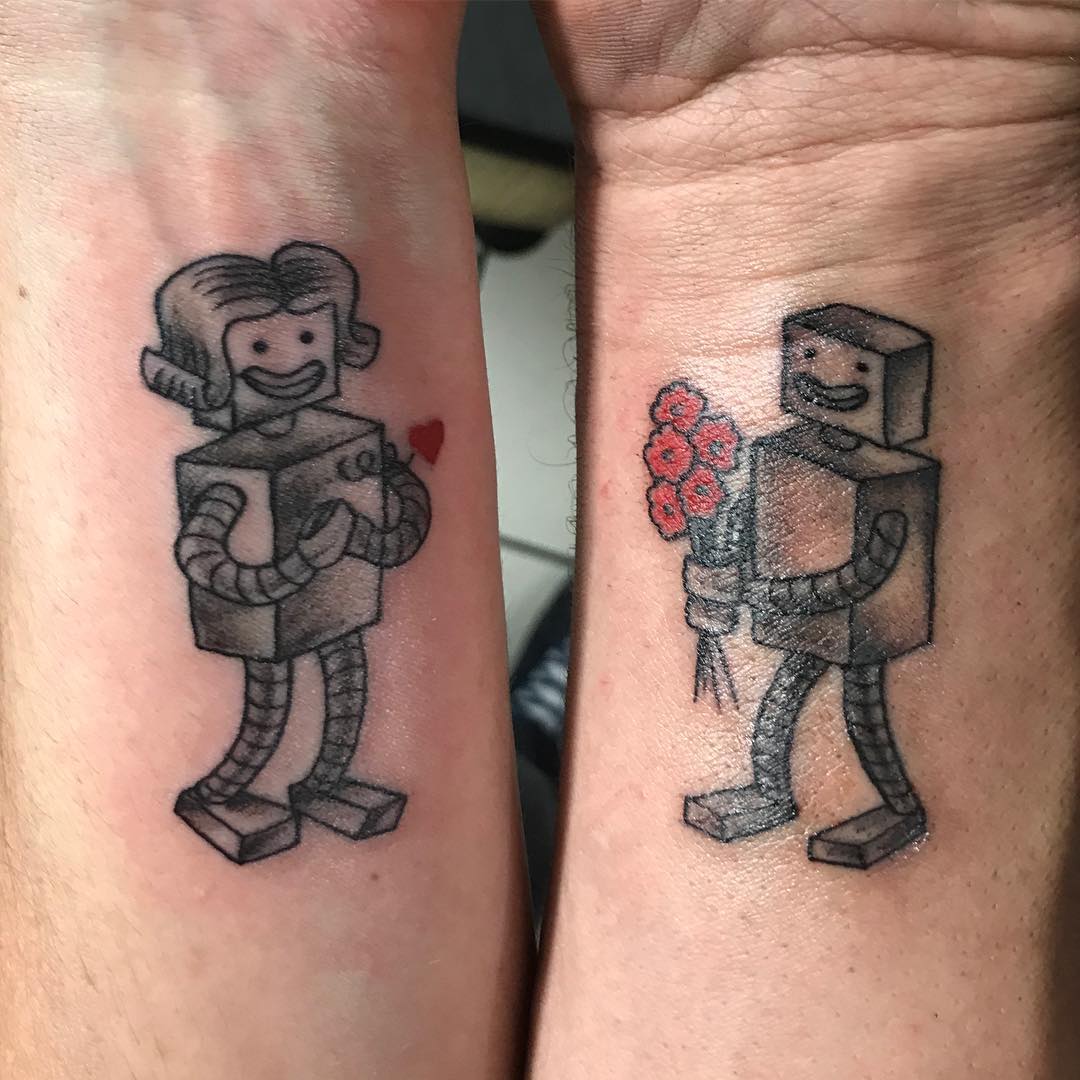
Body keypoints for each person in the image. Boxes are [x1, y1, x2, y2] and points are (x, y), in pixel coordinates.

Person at [2, 2, 1077, 1077]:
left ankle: (859, 800)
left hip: (826, 622)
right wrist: (311, 551)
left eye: (306, 338)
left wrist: (384, 513)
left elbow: (875, 562)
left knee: (857, 719)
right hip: (297, 615)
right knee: (271, 719)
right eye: (261, 348)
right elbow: (206, 563)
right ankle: (245, 790)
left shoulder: (885, 477)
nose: (292, 361)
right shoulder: (227, 468)